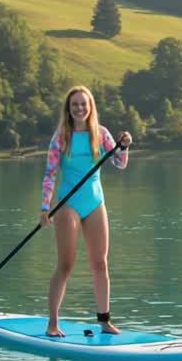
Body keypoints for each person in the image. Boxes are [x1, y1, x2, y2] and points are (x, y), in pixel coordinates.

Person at [40, 86, 132, 338]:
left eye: (83, 104)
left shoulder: (100, 134)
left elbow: (119, 163)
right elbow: (50, 174)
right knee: (66, 264)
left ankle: (104, 321)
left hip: (94, 202)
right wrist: (45, 208)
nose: (79, 108)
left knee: (100, 263)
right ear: (68, 109)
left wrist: (124, 146)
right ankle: (52, 323)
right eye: (74, 105)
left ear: (90, 107)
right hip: (67, 203)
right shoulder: (61, 136)